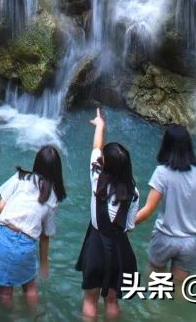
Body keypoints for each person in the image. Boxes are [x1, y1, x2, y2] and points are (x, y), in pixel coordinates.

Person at [134, 124, 196, 298]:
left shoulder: (161, 173)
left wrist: (125, 224)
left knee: (154, 286)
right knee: (181, 290)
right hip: (190, 241)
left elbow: (148, 209)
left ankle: (153, 314)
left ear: (166, 145)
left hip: (165, 237)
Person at [0, 144, 66, 307]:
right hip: (26, 245)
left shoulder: (21, 177)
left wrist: (0, 226)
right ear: (56, 170)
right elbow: (45, 236)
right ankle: (32, 315)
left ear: (37, 162)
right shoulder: (52, 196)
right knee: (30, 287)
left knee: (5, 291)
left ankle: (9, 317)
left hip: (3, 236)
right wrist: (44, 264)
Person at [76, 108, 139, 318]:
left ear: (105, 164)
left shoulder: (96, 178)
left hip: (96, 245)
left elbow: (96, 147)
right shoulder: (133, 192)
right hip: (119, 249)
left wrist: (100, 125)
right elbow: (129, 226)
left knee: (90, 299)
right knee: (111, 300)